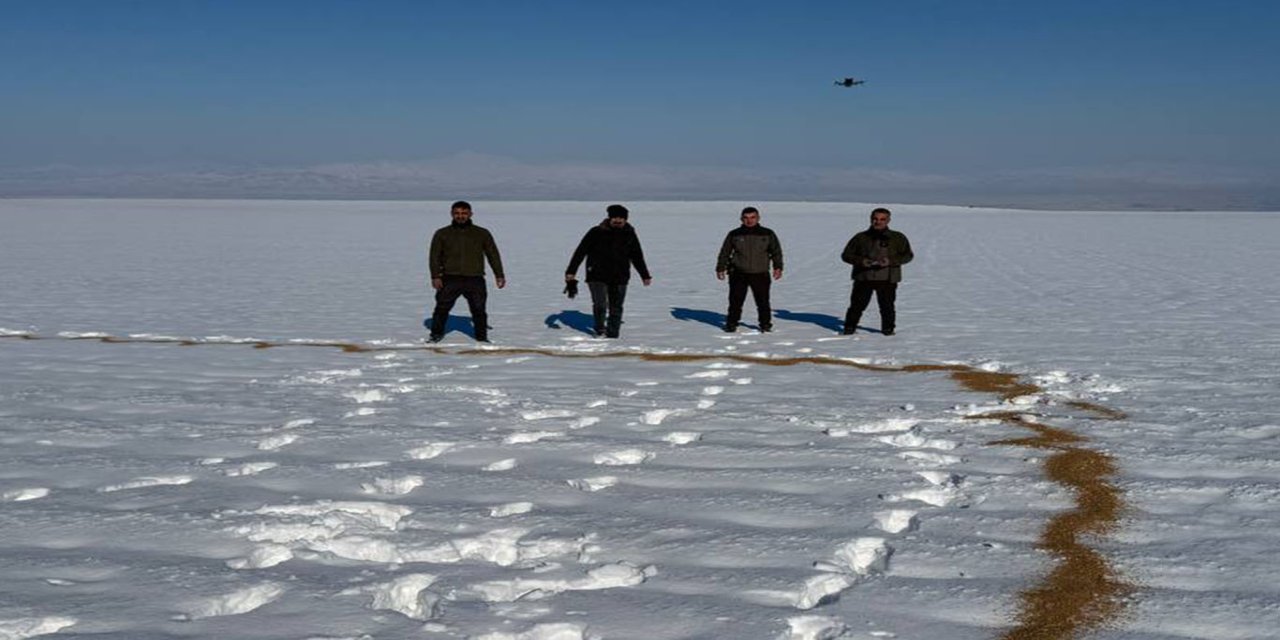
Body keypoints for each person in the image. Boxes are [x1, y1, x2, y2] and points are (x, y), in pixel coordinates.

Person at [565, 204, 652, 338]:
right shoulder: (596, 232)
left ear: (626, 219)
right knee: (600, 304)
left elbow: (637, 255)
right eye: (615, 218)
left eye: (621, 218)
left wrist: (644, 275)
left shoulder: (629, 233)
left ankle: (613, 335)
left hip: (620, 275)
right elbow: (580, 252)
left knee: (616, 307)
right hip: (596, 274)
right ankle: (600, 330)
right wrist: (571, 271)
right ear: (609, 218)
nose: (618, 221)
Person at [426, 201, 505, 342]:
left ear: (470, 214)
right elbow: (434, 257)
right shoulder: (442, 233)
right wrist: (435, 276)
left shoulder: (481, 233)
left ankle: (481, 337)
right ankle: (436, 335)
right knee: (442, 308)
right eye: (457, 213)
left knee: (479, 309)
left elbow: (493, 254)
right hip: (450, 278)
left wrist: (499, 275)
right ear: (452, 214)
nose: (460, 216)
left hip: (474, 278)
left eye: (464, 213)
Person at [841, 207, 913, 335]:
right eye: (875, 219)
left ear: (888, 220)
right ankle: (849, 329)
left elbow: (908, 255)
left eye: (882, 219)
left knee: (887, 307)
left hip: (887, 279)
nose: (878, 222)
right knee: (857, 306)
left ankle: (888, 331)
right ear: (871, 219)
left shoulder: (897, 237)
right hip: (863, 277)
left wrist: (890, 261)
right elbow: (846, 255)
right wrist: (863, 261)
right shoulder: (860, 237)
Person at [715, 206, 783, 332]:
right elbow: (725, 252)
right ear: (741, 219)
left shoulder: (767, 233)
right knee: (735, 301)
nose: (749, 220)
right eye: (746, 218)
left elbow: (776, 252)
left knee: (762, 302)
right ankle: (731, 323)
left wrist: (778, 267)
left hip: (760, 273)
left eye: (752, 217)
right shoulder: (734, 234)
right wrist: (720, 268)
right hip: (738, 273)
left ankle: (765, 324)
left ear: (758, 218)